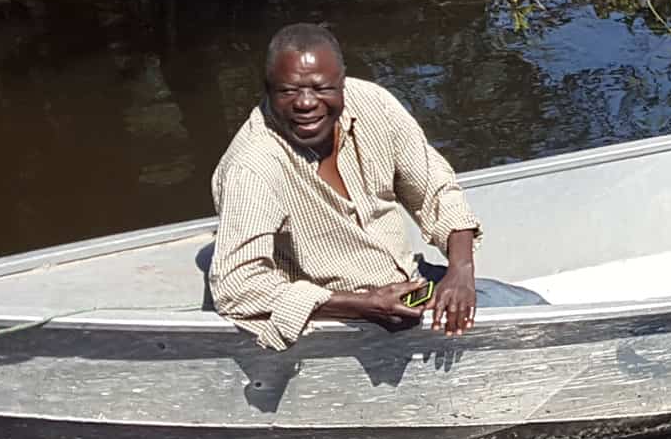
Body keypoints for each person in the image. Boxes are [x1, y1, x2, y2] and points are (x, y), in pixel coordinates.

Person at [208, 23, 542, 350]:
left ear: (341, 83)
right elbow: (238, 286)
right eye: (289, 91)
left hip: (412, 284)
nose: (306, 103)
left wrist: (461, 272)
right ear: (268, 89)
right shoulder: (252, 166)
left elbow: (436, 189)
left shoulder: (373, 105)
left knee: (536, 308)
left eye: (322, 88)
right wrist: (361, 304)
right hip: (338, 316)